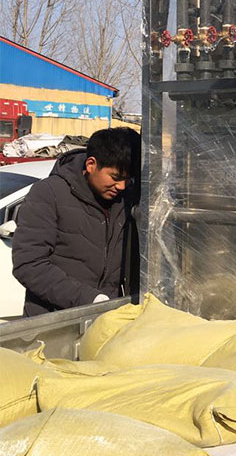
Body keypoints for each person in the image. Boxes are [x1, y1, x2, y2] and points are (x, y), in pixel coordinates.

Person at [12, 126, 140, 316]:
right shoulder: (49, 194)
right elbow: (29, 264)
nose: (121, 186)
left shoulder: (127, 199)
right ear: (91, 164)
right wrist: (89, 299)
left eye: (127, 179)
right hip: (54, 321)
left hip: (107, 318)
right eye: (115, 177)